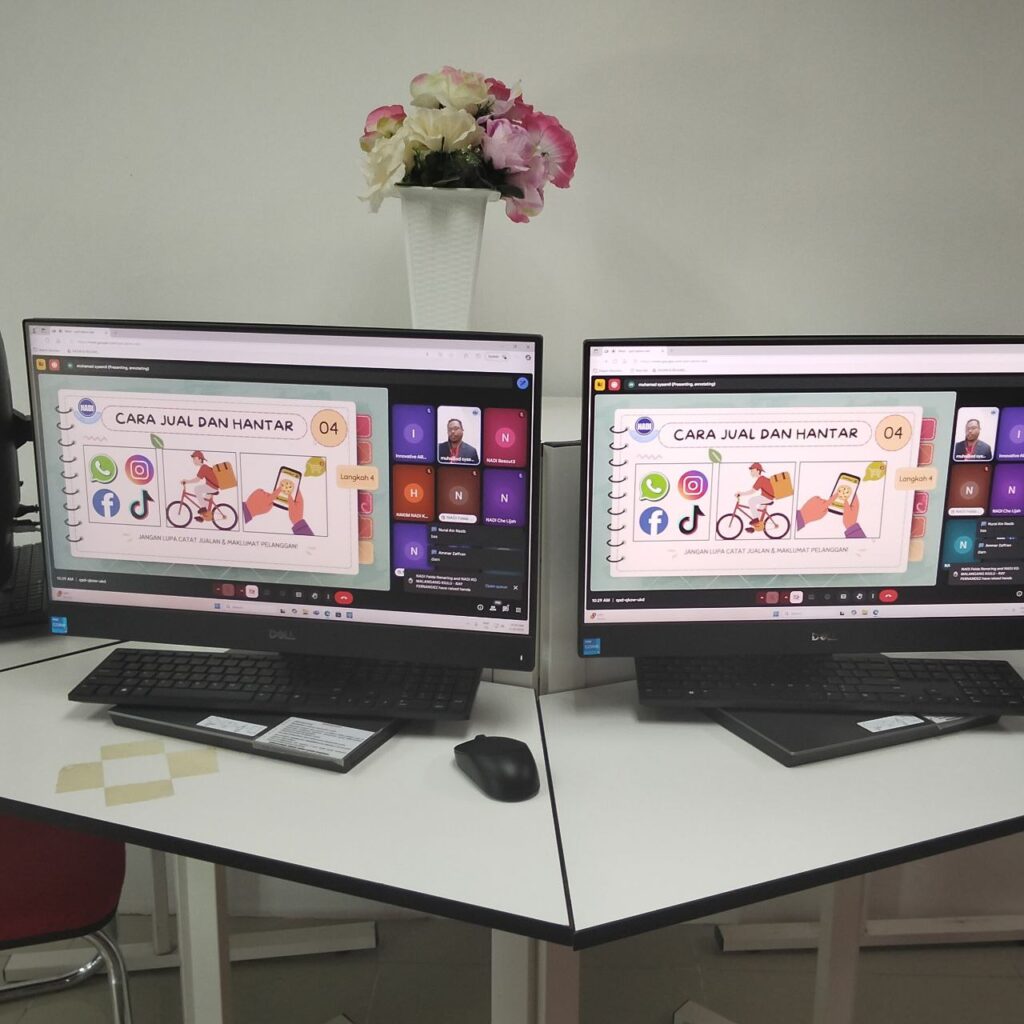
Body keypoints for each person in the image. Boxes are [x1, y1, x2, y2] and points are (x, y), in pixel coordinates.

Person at [736, 462, 774, 532]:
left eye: (752, 470)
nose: (751, 472)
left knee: (751, 501)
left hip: (768, 498)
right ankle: (755, 528)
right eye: (751, 471)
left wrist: (741, 493)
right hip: (767, 497)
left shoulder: (761, 479)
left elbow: (752, 491)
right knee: (758, 513)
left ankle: (756, 520)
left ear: (758, 470)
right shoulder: (761, 479)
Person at [182, 450, 219, 521]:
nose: (193, 461)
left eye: (194, 459)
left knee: (197, 489)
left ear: (200, 459)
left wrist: (187, 481)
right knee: (205, 501)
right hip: (214, 486)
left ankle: (203, 509)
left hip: (213, 487)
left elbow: (197, 479)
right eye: (193, 459)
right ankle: (202, 517)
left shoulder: (204, 467)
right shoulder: (205, 467)